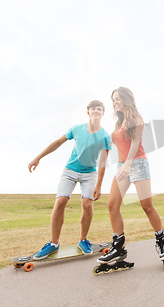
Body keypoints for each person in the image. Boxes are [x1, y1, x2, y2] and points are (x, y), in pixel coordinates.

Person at [97, 87, 164, 268]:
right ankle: (119, 247)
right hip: (122, 165)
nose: (115, 102)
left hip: (137, 163)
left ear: (126, 99)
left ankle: (162, 241)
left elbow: (136, 142)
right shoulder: (119, 123)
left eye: (117, 99)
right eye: (113, 99)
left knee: (146, 206)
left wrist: (128, 164)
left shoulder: (136, 117)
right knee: (112, 204)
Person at [28, 100, 111, 260]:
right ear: (88, 112)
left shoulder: (105, 136)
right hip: (70, 170)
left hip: (89, 174)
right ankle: (53, 244)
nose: (96, 111)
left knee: (87, 205)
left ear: (102, 113)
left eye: (99, 109)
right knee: (60, 202)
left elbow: (102, 162)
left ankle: (83, 240)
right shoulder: (77, 129)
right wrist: (38, 157)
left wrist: (99, 185)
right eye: (93, 109)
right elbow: (58, 142)